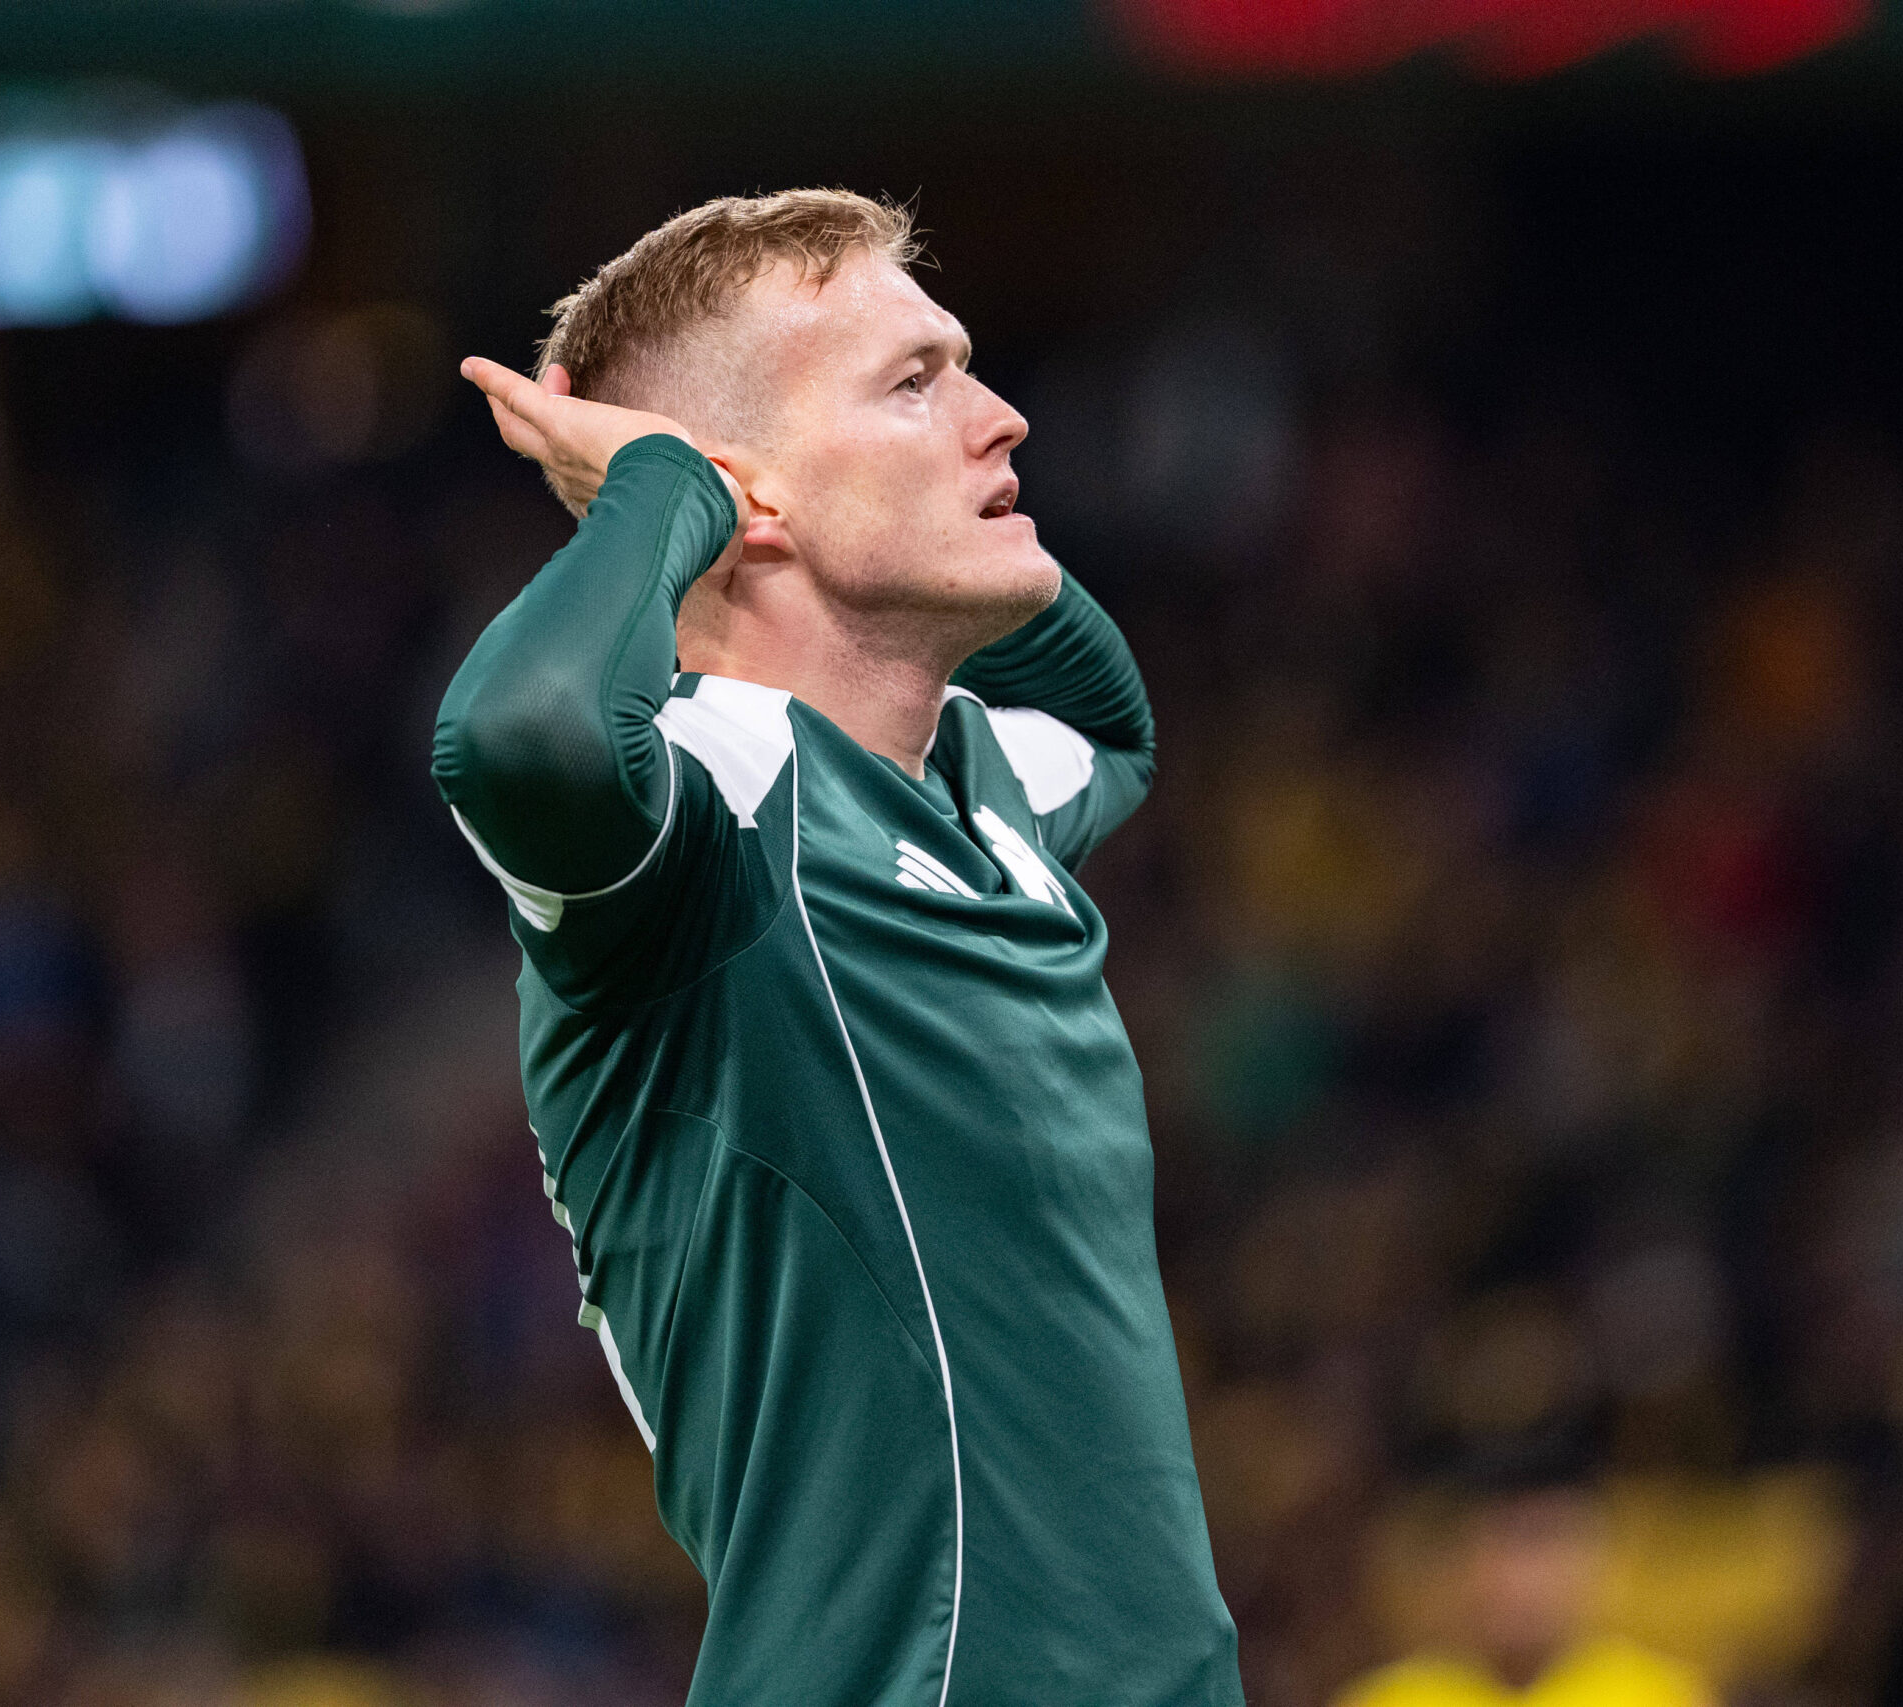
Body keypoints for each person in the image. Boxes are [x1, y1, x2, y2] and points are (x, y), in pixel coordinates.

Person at [433, 191, 1241, 1707]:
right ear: (752, 495)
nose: (1001, 418)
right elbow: (521, 732)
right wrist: (670, 486)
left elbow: (1118, 722)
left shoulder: (987, 792)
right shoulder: (708, 813)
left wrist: (974, 559)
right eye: (916, 382)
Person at [1333, 1471, 1713, 1707]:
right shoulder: (1390, 1699)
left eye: (1543, 1546)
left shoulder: (1660, 1695)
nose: (1520, 1579)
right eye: (1502, 1548)